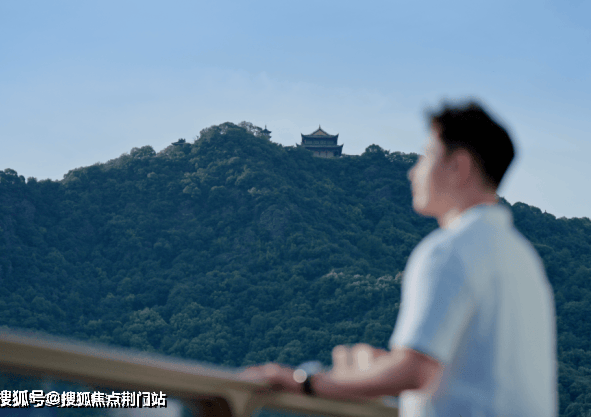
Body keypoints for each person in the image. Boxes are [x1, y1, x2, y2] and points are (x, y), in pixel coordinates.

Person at [239, 101, 558, 417]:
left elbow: (415, 372)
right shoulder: (525, 258)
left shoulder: (449, 250)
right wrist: (387, 365)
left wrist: (305, 381)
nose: (413, 171)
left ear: (459, 167)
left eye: (426, 156)